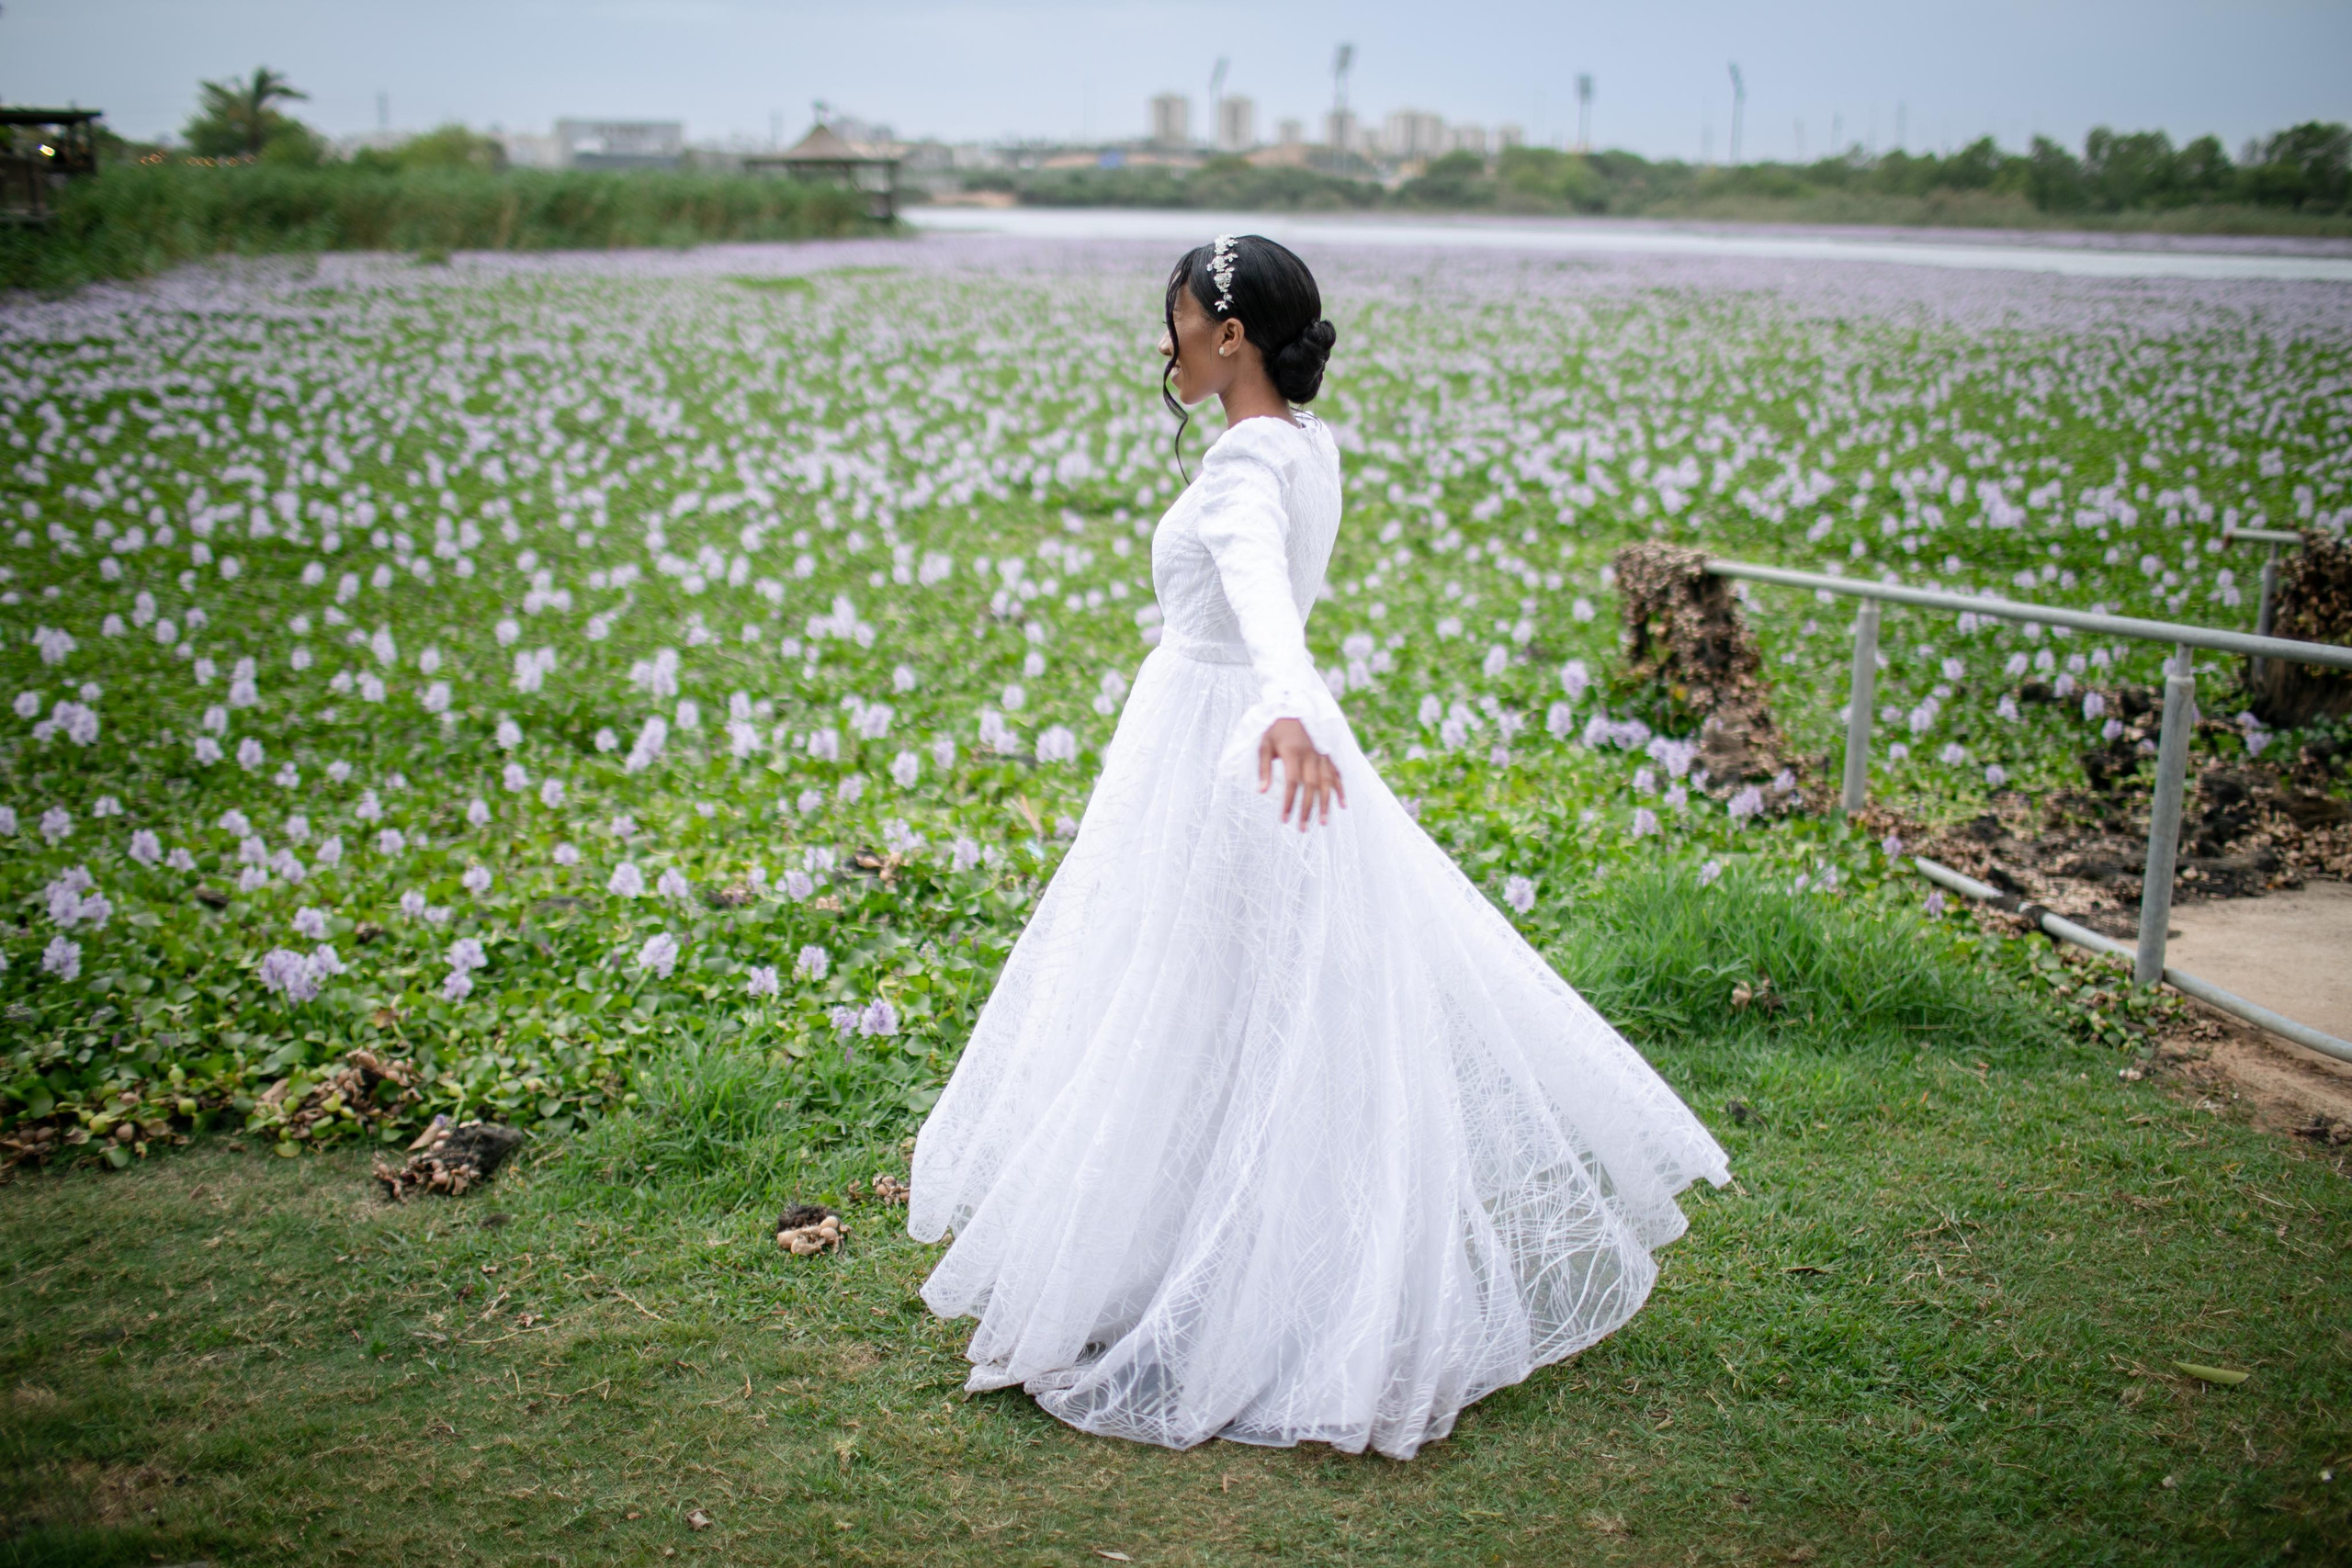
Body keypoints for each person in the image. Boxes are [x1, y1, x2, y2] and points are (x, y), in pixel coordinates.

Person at [908, 234, 1731, 1461]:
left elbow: (1257, 598)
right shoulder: (1304, 443)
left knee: (1178, 999)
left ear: (1228, 337)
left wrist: (1285, 706)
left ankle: (1207, 1292)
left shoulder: (1245, 463)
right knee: (1230, 1006)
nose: (1165, 343)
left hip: (1226, 742)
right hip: (1240, 732)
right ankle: (1197, 1263)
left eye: (1178, 322)